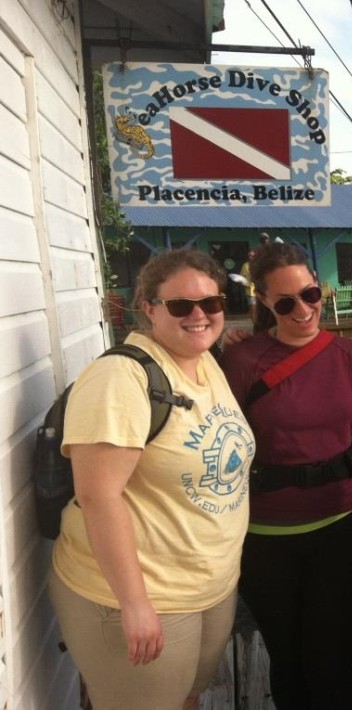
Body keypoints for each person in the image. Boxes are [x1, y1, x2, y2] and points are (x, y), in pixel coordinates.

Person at [50, 248, 254, 710]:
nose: (199, 315)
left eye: (212, 303)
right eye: (181, 306)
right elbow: (98, 495)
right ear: (148, 308)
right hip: (141, 594)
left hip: (206, 586)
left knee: (186, 698)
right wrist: (134, 604)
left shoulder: (203, 362)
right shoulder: (121, 377)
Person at [219, 242, 352, 709]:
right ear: (265, 303)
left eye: (310, 295)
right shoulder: (242, 361)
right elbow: (221, 444)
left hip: (340, 528)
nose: (304, 310)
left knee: (332, 662)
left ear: (320, 288)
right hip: (265, 536)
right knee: (288, 662)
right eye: (286, 302)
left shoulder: (350, 354)